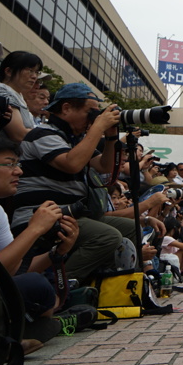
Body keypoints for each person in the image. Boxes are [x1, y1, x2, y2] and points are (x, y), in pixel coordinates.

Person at [10, 83, 137, 285]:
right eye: (90, 112)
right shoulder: (42, 133)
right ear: (66, 108)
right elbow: (72, 163)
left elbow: (104, 166)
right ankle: (58, 288)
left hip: (72, 214)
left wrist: (111, 136)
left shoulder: (76, 140)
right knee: (107, 237)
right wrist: (97, 127)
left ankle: (108, 285)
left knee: (133, 228)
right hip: (42, 215)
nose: (93, 117)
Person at [0, 136, 79, 353]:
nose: (19, 172)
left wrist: (58, 252)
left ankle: (7, 338)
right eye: (9, 164)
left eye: (18, 164)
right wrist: (34, 229)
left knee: (38, 285)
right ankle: (7, 340)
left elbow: (9, 271)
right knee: (35, 286)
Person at [0, 50, 43, 142]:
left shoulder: (17, 96)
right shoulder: (4, 96)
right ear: (9, 71)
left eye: (37, 72)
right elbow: (20, 135)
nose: (34, 76)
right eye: (30, 70)